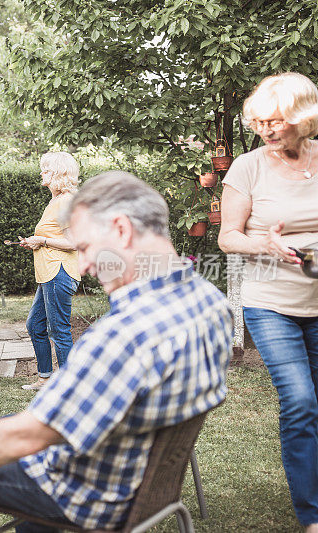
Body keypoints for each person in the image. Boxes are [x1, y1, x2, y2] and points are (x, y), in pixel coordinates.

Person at [0, 171, 233, 532]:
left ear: (121, 229)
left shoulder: (122, 334)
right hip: (142, 483)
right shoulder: (211, 304)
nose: (86, 265)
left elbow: (29, 435)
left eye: (87, 247)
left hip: (87, 493)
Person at [218, 72, 318, 531]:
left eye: (275, 121)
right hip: (270, 300)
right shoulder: (248, 166)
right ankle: (311, 515)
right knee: (299, 400)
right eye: (259, 122)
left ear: (302, 117)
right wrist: (267, 247)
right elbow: (227, 238)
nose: (267, 130)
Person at [19, 152, 81, 390]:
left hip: (60, 272)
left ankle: (69, 386)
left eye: (45, 170)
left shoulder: (66, 201)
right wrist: (36, 240)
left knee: (59, 330)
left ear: (57, 173)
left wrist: (42, 240)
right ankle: (45, 378)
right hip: (49, 274)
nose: (41, 173)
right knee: (35, 325)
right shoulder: (55, 201)